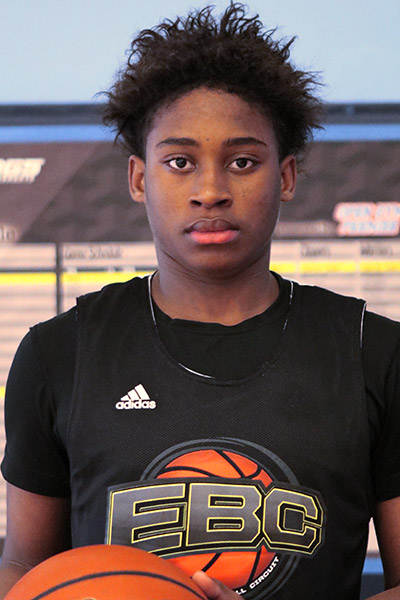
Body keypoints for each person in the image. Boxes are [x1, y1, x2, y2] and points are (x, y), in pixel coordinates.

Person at [1, 3, 400, 599]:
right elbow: (23, 569)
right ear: (140, 179)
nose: (210, 191)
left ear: (286, 176)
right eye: (180, 162)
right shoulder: (60, 353)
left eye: (242, 162)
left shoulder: (375, 353)